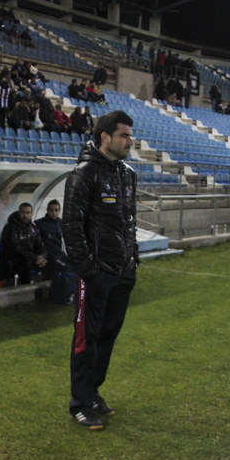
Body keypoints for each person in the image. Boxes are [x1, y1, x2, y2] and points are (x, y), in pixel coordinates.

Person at [62, 110, 138, 430]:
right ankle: (80, 403)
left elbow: (128, 223)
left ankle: (93, 392)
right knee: (86, 338)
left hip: (122, 273)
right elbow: (72, 227)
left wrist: (131, 260)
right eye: (124, 135)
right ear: (105, 138)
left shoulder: (126, 174)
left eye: (130, 136)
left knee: (107, 336)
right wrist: (89, 272)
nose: (130, 141)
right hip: (96, 274)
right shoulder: (83, 173)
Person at [0, 203, 47, 285]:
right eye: (23, 212)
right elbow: (15, 248)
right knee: (25, 263)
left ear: (31, 214)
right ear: (18, 212)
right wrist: (35, 257)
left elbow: (40, 245)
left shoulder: (33, 228)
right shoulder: (10, 227)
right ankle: (25, 290)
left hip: (29, 257)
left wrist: (43, 257)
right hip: (12, 259)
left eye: (28, 213)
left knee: (50, 262)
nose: (25, 215)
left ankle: (46, 291)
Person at [34, 199, 71, 277]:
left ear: (59, 211)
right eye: (51, 210)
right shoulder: (40, 224)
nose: (54, 213)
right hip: (48, 256)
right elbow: (35, 242)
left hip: (59, 254)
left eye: (56, 210)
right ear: (47, 210)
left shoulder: (61, 223)